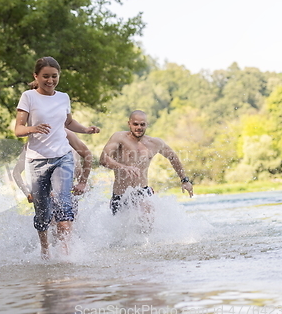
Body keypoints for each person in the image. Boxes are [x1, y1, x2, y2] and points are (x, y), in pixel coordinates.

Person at [14, 56, 100, 259]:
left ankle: (66, 254)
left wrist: (86, 129)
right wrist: (33, 128)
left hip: (62, 157)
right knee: (43, 212)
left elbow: (69, 123)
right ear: (36, 76)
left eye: (54, 76)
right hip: (36, 161)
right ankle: (45, 251)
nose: (50, 81)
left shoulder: (63, 97)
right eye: (45, 76)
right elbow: (18, 130)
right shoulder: (28, 97)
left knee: (63, 204)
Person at [100, 110, 193, 217]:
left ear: (146, 125)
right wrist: (123, 167)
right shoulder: (119, 137)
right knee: (122, 232)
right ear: (129, 123)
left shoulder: (155, 143)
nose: (139, 127)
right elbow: (103, 159)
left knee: (147, 219)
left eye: (142, 124)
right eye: (135, 124)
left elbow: (173, 157)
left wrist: (184, 180)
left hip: (142, 192)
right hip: (121, 195)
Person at [12, 129, 93, 217]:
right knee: (49, 226)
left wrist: (82, 185)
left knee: (69, 228)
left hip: (67, 197)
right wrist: (28, 193)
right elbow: (16, 172)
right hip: (46, 197)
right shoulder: (33, 145)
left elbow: (78, 173)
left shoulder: (71, 146)